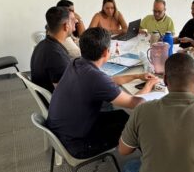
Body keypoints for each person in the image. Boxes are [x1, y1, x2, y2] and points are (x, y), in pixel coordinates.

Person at [47, 28, 159, 158]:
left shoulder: (77, 63)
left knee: (122, 116)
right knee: (136, 124)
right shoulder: (95, 78)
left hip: (62, 132)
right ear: (106, 52)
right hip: (77, 144)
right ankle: (151, 162)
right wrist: (150, 85)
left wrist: (137, 76)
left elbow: (108, 81)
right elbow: (134, 102)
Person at [31, 6, 71, 92]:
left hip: (49, 97)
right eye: (73, 20)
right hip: (58, 103)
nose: (77, 21)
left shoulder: (42, 45)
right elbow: (66, 93)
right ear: (66, 26)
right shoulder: (56, 55)